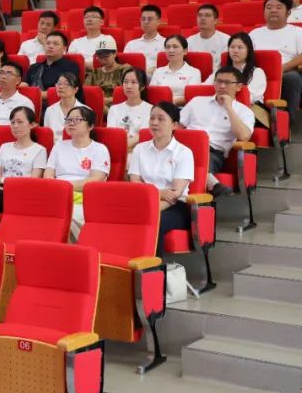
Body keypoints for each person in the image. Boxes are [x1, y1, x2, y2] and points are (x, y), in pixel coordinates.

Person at [128, 102, 194, 256]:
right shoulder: (139, 149)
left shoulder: (184, 153)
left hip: (175, 207)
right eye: (152, 118)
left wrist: (151, 207)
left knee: (155, 222)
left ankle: (154, 268)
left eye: (161, 119)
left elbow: (175, 194)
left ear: (174, 125)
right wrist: (159, 193)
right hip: (143, 202)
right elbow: (135, 183)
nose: (154, 123)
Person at [178, 66, 254, 198]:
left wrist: (229, 108)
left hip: (213, 152)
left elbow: (244, 136)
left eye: (227, 82)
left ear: (239, 87)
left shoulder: (244, 111)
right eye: (218, 81)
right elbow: (178, 126)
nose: (222, 86)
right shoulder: (197, 101)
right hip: (185, 146)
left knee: (194, 159)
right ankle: (213, 184)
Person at [43, 105, 110, 239]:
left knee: (67, 217)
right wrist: (58, 188)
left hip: (84, 198)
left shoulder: (99, 149)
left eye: (77, 119)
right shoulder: (59, 147)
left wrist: (64, 186)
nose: (71, 123)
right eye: (68, 119)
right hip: (57, 194)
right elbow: (48, 175)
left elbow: (95, 180)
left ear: (90, 126)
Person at [249, 0, 302, 113]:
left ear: (288, 13)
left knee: (292, 78)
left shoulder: (298, 31)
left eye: (278, 7)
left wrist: (283, 68)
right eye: (269, 7)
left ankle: (286, 119)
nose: (273, 10)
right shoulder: (254, 33)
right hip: (258, 74)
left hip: (286, 72)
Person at [0, 106, 48, 184]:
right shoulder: (4, 147)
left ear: (32, 125)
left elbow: (34, 180)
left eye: (20, 122)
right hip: (1, 188)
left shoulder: (40, 150)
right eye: (12, 122)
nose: (15, 126)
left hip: (24, 189)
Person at [207, 32, 267, 104]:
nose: (235, 51)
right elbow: (205, 87)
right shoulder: (221, 71)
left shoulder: (257, 72)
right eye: (232, 47)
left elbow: (250, 97)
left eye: (240, 47)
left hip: (250, 107)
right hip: (221, 105)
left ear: (248, 50)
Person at [106, 67, 152, 152]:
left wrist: (123, 146)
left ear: (142, 87)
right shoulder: (114, 109)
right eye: (126, 82)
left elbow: (143, 136)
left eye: (133, 82)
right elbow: (111, 135)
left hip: (140, 152)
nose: (129, 86)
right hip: (117, 152)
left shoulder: (150, 109)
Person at [150, 34, 202, 106]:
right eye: (168, 47)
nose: (171, 50)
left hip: (183, 107)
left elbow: (191, 96)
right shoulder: (158, 71)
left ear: (185, 51)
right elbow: (152, 94)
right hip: (160, 107)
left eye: (175, 47)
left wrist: (172, 103)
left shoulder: (194, 72)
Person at [85, 36, 132, 109]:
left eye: (106, 56)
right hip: (98, 107)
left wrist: (106, 100)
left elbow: (131, 92)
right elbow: (86, 93)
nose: (103, 60)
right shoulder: (95, 73)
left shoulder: (125, 70)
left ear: (115, 53)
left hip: (121, 106)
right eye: (100, 57)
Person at [188, 4, 230, 71]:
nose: (202, 18)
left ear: (216, 21)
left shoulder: (226, 40)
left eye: (207, 15)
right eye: (200, 15)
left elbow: (225, 67)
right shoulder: (188, 41)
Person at [124, 4, 165, 74]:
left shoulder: (166, 43)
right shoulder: (131, 44)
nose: (146, 22)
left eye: (150, 19)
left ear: (159, 22)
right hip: (135, 77)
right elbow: (125, 65)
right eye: (143, 19)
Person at [43, 72, 86, 137]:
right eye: (59, 83)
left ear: (75, 90)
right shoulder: (50, 110)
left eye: (66, 84)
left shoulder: (85, 111)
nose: (60, 87)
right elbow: (47, 136)